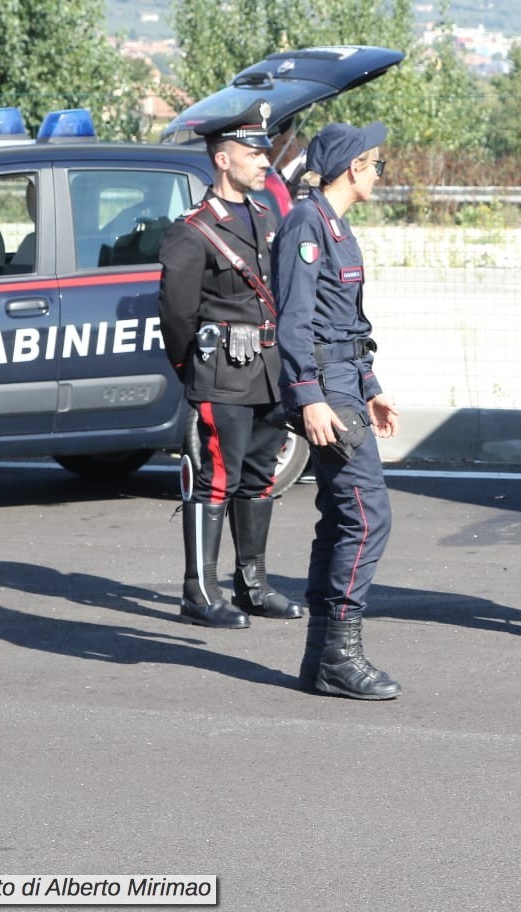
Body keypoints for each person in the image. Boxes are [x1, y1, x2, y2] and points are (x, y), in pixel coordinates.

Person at [158, 99, 304, 629]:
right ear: (223, 159)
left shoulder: (266, 214)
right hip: (222, 371)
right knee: (215, 478)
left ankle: (252, 585)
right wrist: (192, 374)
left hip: (268, 369)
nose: (265, 162)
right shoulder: (193, 230)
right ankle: (199, 592)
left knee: (260, 476)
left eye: (265, 152)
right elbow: (176, 316)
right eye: (253, 152)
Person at [273, 122, 402, 700]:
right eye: (378, 165)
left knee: (340, 517)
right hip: (327, 391)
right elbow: (294, 320)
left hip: (347, 385)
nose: (380, 174)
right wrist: (309, 398)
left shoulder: (336, 226)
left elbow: (346, 322)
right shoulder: (306, 223)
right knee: (366, 516)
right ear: (354, 167)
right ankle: (341, 655)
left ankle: (321, 656)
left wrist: (371, 385)